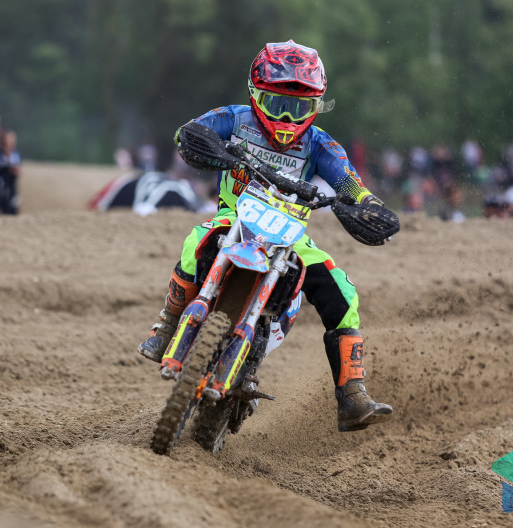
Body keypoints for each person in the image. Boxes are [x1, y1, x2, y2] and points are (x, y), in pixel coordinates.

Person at [137, 41, 393, 432]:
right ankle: (168, 325)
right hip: (235, 217)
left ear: (316, 106)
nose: (288, 117)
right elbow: (184, 134)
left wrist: (368, 205)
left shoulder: (321, 145)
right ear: (255, 95)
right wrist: (206, 146)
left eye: (299, 108)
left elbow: (351, 184)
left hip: (290, 234)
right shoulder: (233, 119)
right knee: (195, 243)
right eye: (278, 104)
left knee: (344, 293)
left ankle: (353, 395)